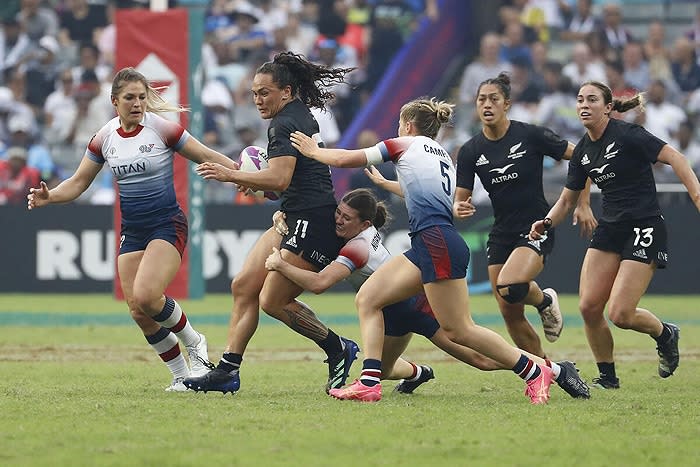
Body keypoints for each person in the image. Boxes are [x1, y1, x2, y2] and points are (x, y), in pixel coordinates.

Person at [290, 97, 566, 404]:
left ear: (408, 125)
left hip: (435, 242)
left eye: (399, 124)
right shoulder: (442, 156)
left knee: (460, 330)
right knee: (369, 298)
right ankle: (370, 381)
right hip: (432, 242)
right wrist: (386, 182)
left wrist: (314, 152)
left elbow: (346, 158)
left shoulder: (404, 144)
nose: (396, 129)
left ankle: (532, 370)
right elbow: (417, 190)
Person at [26, 67, 239, 391]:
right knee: (139, 311)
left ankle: (195, 343)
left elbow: (207, 155)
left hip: (167, 223)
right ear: (115, 102)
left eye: (142, 97)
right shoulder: (104, 137)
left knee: (148, 296)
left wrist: (242, 175)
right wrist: (50, 196)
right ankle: (181, 376)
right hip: (133, 230)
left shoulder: (163, 130)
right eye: (130, 98)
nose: (137, 103)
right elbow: (79, 182)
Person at [265, 188, 590, 398]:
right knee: (385, 368)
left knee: (482, 360)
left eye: (345, 218)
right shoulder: (359, 234)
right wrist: (286, 220)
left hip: (415, 307)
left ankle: (558, 370)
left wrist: (280, 264)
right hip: (389, 313)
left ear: (363, 223)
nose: (337, 221)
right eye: (338, 214)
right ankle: (421, 372)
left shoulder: (358, 248)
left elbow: (320, 284)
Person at [183, 52, 359, 395]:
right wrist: (256, 183)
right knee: (244, 286)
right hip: (296, 216)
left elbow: (279, 179)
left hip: (313, 221)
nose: (258, 100)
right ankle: (227, 371)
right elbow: (285, 184)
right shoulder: (294, 116)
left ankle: (338, 348)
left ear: (287, 92)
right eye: (254, 93)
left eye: (265, 92)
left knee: (273, 301)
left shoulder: (284, 123)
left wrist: (230, 174)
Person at [529, 81, 700, 389]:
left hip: (644, 225)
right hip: (610, 228)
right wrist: (546, 222)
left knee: (620, 313)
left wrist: (697, 195)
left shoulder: (629, 135)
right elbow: (567, 200)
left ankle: (664, 333)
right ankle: (608, 378)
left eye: (592, 99)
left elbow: (675, 157)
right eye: (580, 99)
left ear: (608, 107)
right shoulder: (582, 150)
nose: (584, 105)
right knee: (589, 307)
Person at [452, 72, 596, 359]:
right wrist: (459, 208)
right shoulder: (470, 151)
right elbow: (460, 199)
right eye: (482, 100)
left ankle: (544, 301)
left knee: (511, 285)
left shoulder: (531, 134)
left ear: (507, 104)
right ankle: (544, 372)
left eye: (494, 99)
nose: (487, 105)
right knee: (509, 311)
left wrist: (583, 202)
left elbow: (582, 157)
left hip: (537, 226)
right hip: (501, 231)